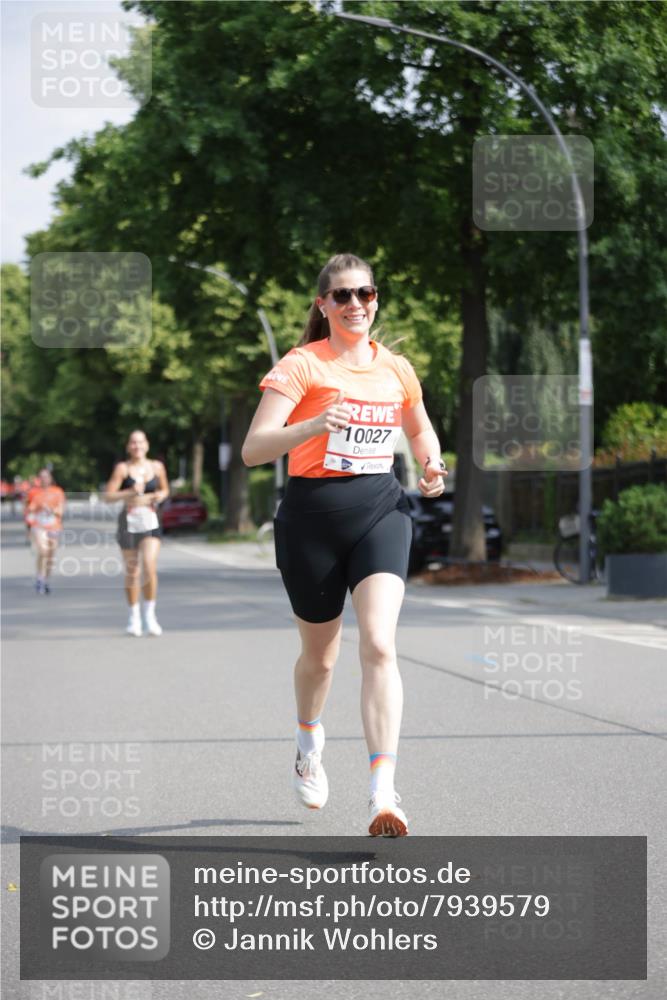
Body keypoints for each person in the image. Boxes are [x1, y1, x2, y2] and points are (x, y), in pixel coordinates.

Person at [242, 253, 447, 837]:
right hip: (311, 518)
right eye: (343, 295)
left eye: (366, 293)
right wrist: (311, 426)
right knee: (321, 658)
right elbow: (254, 449)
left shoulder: (396, 368)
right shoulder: (302, 364)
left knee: (380, 644)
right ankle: (309, 740)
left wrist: (431, 462)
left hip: (381, 510)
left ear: (375, 299)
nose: (356, 303)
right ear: (324, 305)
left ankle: (384, 792)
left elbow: (418, 426)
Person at [104, 430, 170, 637]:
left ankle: (150, 615)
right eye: (133, 442)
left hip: (150, 519)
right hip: (129, 520)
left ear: (147, 445)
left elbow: (165, 489)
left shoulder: (157, 467)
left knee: (149, 565)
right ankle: (134, 617)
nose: (137, 446)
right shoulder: (122, 469)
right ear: (128, 447)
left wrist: (160, 495)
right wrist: (129, 492)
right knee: (133, 571)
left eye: (140, 442)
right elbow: (108, 496)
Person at [24, 468, 66, 594]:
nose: (44, 479)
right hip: (39, 525)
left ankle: (45, 579)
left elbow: (61, 511)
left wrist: (51, 510)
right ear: (39, 479)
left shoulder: (57, 491)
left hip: (54, 526)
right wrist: (36, 508)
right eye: (41, 477)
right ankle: (40, 578)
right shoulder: (33, 492)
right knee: (43, 551)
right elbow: (28, 509)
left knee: (50, 556)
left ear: (51, 478)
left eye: (46, 476)